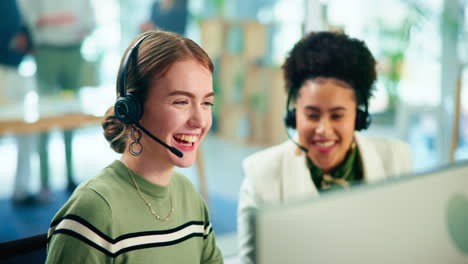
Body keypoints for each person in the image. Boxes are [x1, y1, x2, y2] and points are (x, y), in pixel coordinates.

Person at [45, 30, 224, 263]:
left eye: (206, 102)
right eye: (181, 101)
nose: (200, 121)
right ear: (132, 109)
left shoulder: (189, 196)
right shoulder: (95, 211)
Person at [237, 31, 413, 264]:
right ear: (293, 114)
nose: (323, 130)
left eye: (337, 116)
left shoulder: (396, 160)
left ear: (358, 118)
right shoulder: (261, 176)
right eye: (312, 115)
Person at [17, 0, 96, 195]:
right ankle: (45, 181)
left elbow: (90, 20)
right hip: (46, 52)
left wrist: (79, 31)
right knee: (45, 115)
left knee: (71, 113)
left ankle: (70, 176)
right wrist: (49, 21)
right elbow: (26, 15)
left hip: (73, 52)